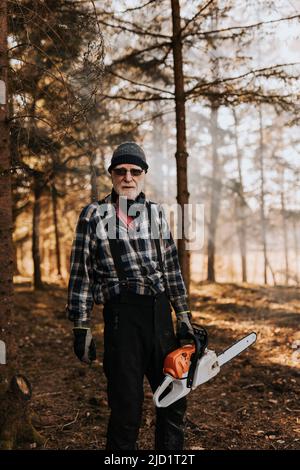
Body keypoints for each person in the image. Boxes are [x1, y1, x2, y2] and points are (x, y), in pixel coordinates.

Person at [66, 141, 194, 450]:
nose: (128, 177)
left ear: (144, 175)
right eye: (121, 171)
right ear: (111, 174)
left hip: (160, 315)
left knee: (174, 399)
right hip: (122, 317)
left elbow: (171, 269)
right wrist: (81, 325)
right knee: (126, 406)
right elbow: (81, 273)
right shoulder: (94, 215)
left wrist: (184, 315)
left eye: (135, 171)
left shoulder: (156, 214)